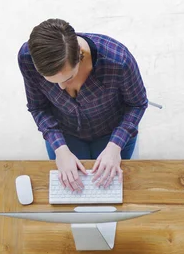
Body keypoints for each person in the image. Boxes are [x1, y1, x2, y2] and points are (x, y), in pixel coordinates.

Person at [18, 18, 148, 191]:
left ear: (80, 54)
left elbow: (137, 104)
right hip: (64, 134)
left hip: (113, 133)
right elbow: (38, 107)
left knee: (117, 194)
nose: (62, 87)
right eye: (51, 82)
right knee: (70, 194)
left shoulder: (118, 60)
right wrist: (60, 150)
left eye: (68, 77)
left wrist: (115, 147)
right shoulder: (27, 58)